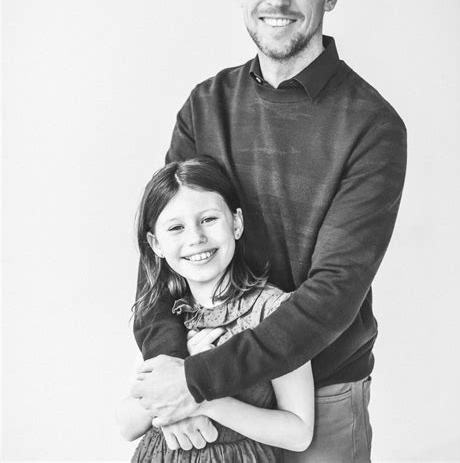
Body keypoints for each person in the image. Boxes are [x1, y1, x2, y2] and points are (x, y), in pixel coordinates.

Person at [131, 0, 407, 462]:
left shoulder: (372, 126)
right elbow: (162, 250)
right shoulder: (207, 106)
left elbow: (332, 297)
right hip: (208, 389)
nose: (276, 0)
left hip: (318, 404)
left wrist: (197, 379)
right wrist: (173, 368)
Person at [117, 156, 314, 461]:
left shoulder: (272, 311)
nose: (195, 237)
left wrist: (199, 396)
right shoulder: (163, 315)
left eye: (208, 219)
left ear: (236, 223)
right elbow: (127, 424)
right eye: (176, 228)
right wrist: (173, 378)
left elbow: (299, 432)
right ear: (156, 244)